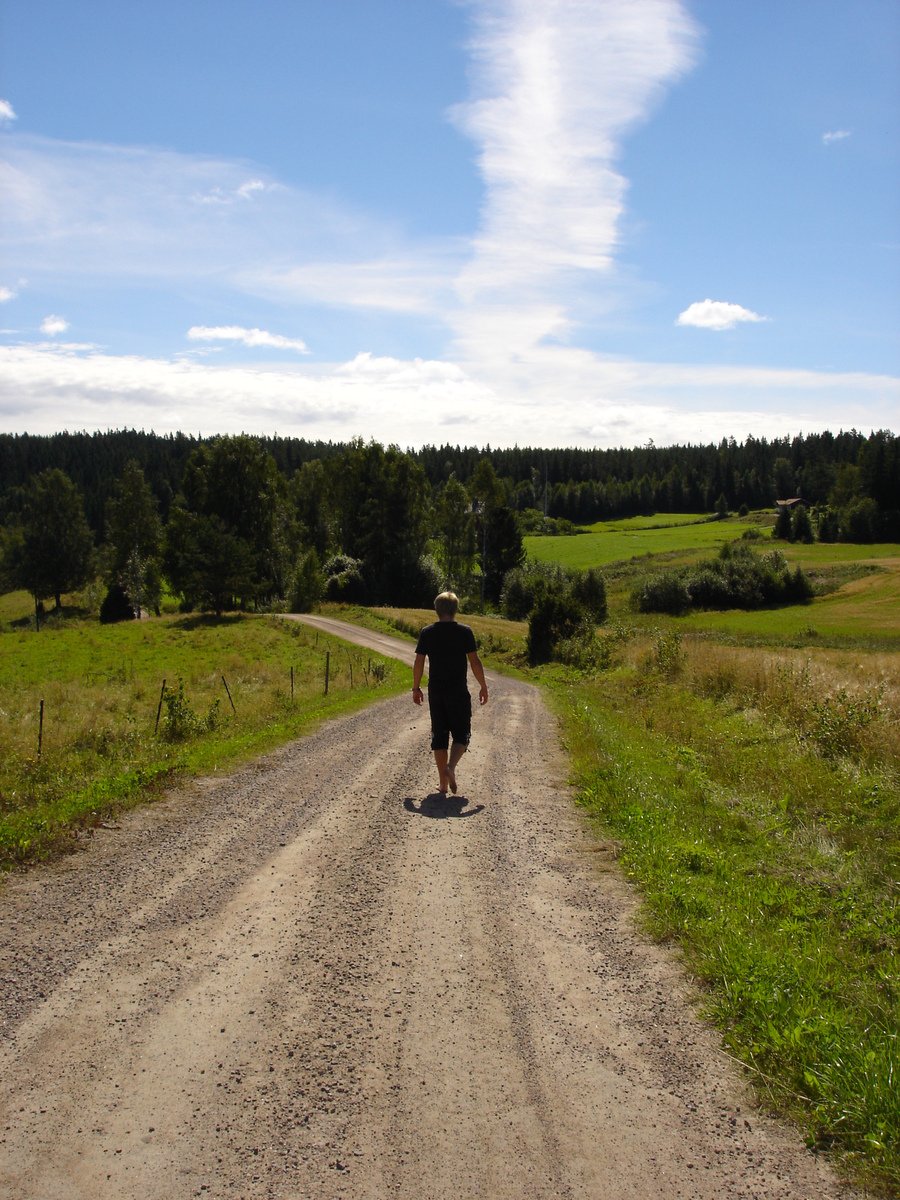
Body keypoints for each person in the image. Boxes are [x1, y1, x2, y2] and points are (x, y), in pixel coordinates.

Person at [412, 591, 488, 796]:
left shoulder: (427, 632)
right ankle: (451, 767)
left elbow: (419, 662)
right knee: (462, 733)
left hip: (436, 691)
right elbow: (474, 661)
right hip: (458, 691)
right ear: (455, 610)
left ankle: (443, 784)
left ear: (436, 610)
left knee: (439, 734)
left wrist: (416, 687)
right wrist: (483, 685)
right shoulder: (465, 632)